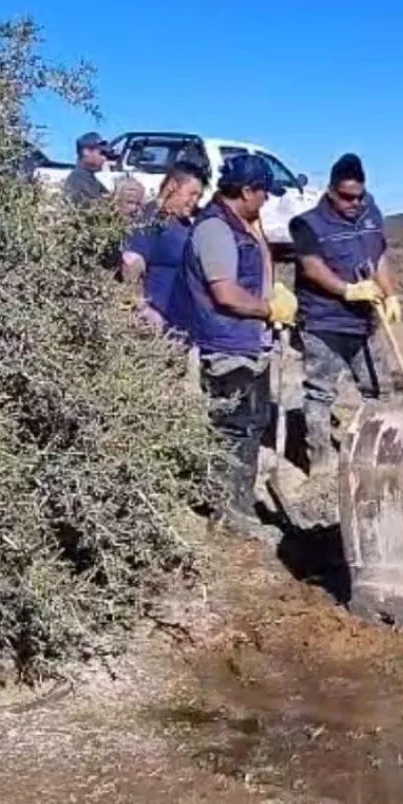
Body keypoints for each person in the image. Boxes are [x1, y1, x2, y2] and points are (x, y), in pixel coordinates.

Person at [173, 154, 298, 534]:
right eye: (264, 194)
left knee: (250, 424)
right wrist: (268, 309)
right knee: (233, 429)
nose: (267, 201)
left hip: (246, 342)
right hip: (226, 344)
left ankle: (238, 510)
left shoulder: (242, 224)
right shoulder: (215, 231)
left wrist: (269, 290)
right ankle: (228, 516)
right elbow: (225, 293)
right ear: (246, 191)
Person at [288, 153, 400, 472]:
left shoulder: (370, 214)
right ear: (332, 190)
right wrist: (347, 290)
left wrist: (390, 294)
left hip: (363, 321)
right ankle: (320, 463)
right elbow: (311, 268)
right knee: (321, 393)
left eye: (359, 196)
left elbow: (378, 257)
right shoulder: (307, 224)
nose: (354, 203)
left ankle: (379, 458)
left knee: (380, 389)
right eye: (348, 197)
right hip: (323, 321)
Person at [121, 163, 206, 330]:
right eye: (192, 194)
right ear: (173, 186)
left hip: (182, 325)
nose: (194, 202)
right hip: (157, 325)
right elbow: (131, 262)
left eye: (199, 197)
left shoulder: (183, 222)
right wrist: (143, 308)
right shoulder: (151, 219)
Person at [64, 132, 116, 205]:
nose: (104, 159)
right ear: (86, 152)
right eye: (101, 153)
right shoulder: (77, 179)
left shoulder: (91, 178)